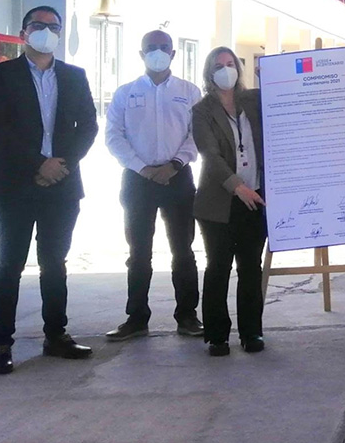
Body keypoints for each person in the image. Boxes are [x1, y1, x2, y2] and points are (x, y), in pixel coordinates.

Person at [0, 5, 99, 375]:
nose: (46, 31)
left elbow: (89, 126)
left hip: (61, 185)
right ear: (23, 32)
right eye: (38, 25)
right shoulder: (0, 75)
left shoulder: (74, 76)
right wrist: (37, 164)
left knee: (54, 264)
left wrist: (60, 165)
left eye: (53, 26)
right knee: (9, 265)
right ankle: (1, 345)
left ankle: (56, 336)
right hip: (14, 184)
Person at [103, 29, 204, 342]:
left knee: (183, 250)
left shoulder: (190, 92)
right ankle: (136, 318)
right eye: (151, 48)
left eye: (164, 48)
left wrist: (174, 165)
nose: (157, 52)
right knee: (138, 252)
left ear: (173, 54)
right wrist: (143, 168)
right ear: (141, 53)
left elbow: (197, 134)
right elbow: (113, 136)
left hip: (178, 178)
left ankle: (187, 316)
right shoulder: (125, 93)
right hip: (138, 181)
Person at [191, 48, 267, 357]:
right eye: (219, 66)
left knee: (250, 267)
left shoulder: (254, 101)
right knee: (218, 266)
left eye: (230, 64)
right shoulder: (201, 110)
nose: (226, 70)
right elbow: (210, 155)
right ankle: (217, 335)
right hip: (218, 202)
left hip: (256, 197)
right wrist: (238, 188)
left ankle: (252, 333)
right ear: (209, 72)